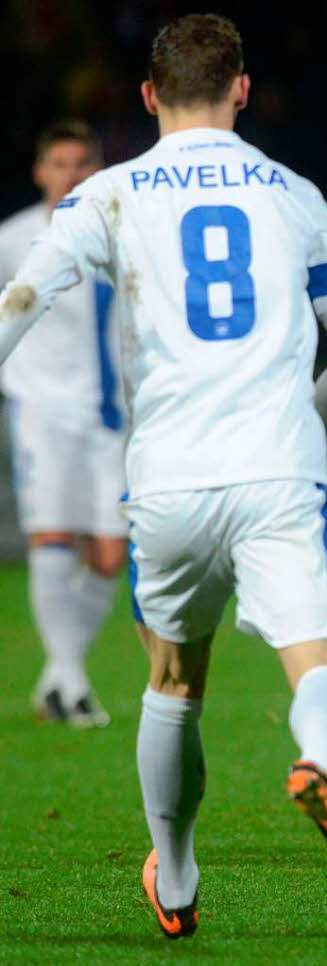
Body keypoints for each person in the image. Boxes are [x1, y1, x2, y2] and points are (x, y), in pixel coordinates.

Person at [0, 13, 327, 937]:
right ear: (241, 90)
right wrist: (303, 414)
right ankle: (321, 768)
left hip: (166, 481)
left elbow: (25, 296)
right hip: (277, 475)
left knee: (173, 682)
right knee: (319, 659)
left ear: (146, 96)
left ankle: (173, 878)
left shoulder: (108, 194)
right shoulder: (295, 193)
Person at [0, 120, 126, 727]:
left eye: (83, 162)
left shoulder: (125, 230)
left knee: (108, 553)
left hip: (112, 416)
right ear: (39, 171)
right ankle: (72, 685)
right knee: (51, 538)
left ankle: (58, 677)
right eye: (60, 163)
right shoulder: (14, 237)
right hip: (42, 410)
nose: (71, 174)